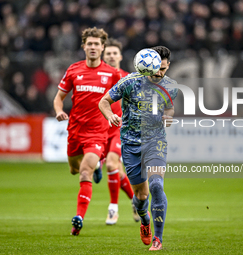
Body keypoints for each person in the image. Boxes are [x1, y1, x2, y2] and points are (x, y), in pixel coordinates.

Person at [99, 46, 178, 250]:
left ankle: (158, 238)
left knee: (156, 186)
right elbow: (104, 101)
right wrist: (110, 116)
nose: (159, 73)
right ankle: (144, 220)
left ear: (168, 65)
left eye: (163, 68)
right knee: (141, 197)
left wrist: (168, 115)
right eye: (155, 69)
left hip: (155, 142)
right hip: (131, 144)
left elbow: (169, 106)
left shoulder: (171, 86)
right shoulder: (129, 82)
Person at [53, 27, 121, 236]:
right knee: (74, 169)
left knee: (84, 172)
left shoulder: (112, 74)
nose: (93, 47)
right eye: (89, 44)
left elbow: (123, 99)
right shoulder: (74, 70)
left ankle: (78, 219)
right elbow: (59, 98)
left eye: (96, 44)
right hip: (75, 130)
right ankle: (98, 167)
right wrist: (58, 111)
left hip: (97, 133)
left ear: (102, 48)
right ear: (84, 46)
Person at [101, 38, 140, 224]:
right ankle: (136, 201)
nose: (111, 56)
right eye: (108, 53)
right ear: (103, 56)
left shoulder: (127, 78)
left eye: (114, 53)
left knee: (110, 165)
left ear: (120, 56)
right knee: (118, 172)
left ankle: (113, 209)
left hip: (119, 128)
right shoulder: (96, 76)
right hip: (100, 130)